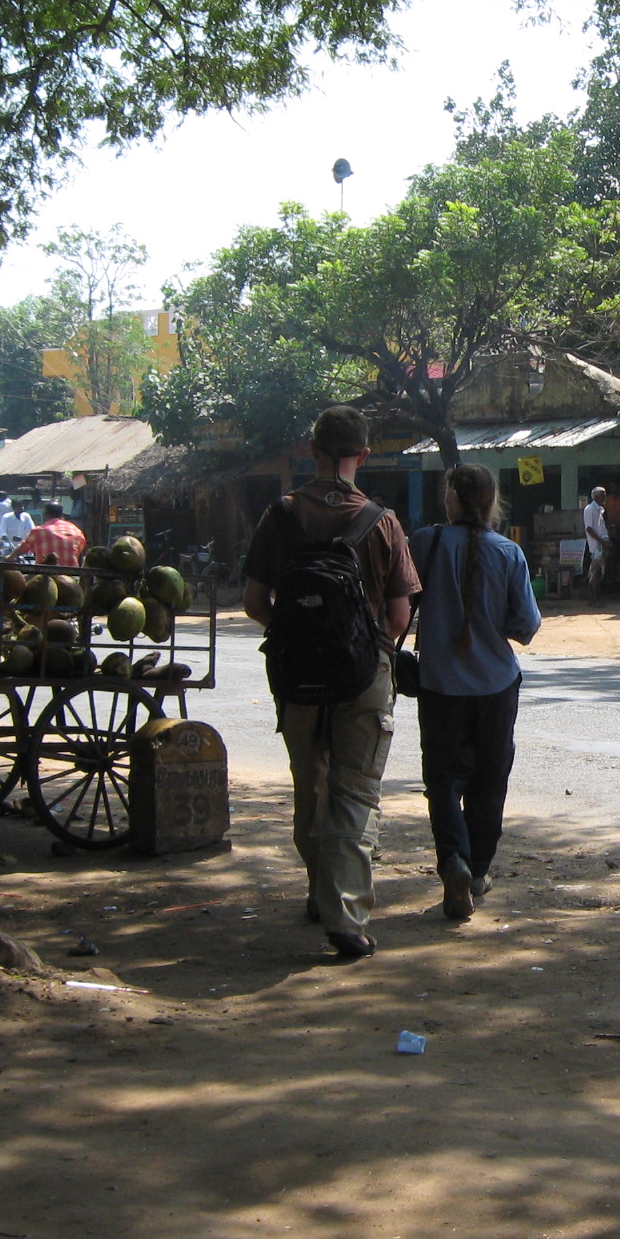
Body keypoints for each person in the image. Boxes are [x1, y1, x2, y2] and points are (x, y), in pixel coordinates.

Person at [243, 405, 420, 958]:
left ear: (310, 449)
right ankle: (344, 915)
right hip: (364, 676)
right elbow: (397, 617)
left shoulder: (280, 515)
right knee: (355, 793)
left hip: (295, 678)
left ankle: (321, 894)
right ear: (363, 455)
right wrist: (364, 649)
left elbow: (255, 603)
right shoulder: (383, 522)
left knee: (310, 786)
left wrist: (299, 636)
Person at [410, 462, 542, 921]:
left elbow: (397, 609)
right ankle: (479, 869)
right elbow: (525, 627)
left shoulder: (424, 543)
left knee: (444, 783)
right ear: (491, 502)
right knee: (489, 782)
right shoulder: (509, 553)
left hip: (439, 686)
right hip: (495, 686)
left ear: (451, 497)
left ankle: (454, 862)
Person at [15, 502, 87, 566]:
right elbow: (80, 548)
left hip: (45, 575)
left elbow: (23, 548)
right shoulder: (75, 530)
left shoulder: (38, 531)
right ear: (62, 515)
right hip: (72, 574)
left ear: (47, 515)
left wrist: (10, 558)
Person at [581, 486, 609, 602]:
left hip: (600, 545)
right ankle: (593, 599)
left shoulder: (599, 510)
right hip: (594, 546)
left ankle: (595, 598)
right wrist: (601, 541)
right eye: (603, 495)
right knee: (594, 574)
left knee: (598, 573)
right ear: (597, 497)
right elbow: (589, 529)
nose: (605, 497)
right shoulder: (590, 509)